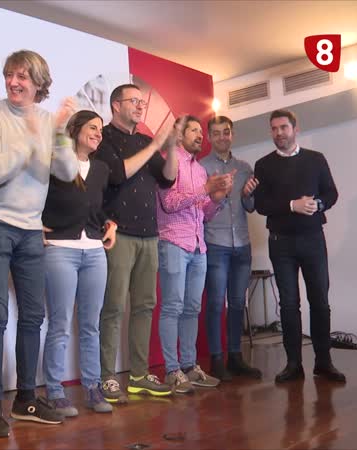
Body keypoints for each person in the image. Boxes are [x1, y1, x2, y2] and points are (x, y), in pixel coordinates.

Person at [0, 49, 78, 438]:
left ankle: (26, 399)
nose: (14, 83)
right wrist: (34, 138)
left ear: (38, 84)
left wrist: (59, 131)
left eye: (22, 77)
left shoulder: (50, 122)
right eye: (9, 75)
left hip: (31, 229)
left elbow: (66, 171)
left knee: (34, 315)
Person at [93, 84, 178, 403]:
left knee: (145, 306)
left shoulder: (144, 141)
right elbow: (117, 174)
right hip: (118, 232)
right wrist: (156, 141)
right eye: (134, 101)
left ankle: (139, 376)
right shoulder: (104, 137)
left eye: (143, 102)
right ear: (116, 105)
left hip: (149, 233)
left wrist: (170, 148)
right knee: (113, 307)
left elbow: (167, 178)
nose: (141, 106)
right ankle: (107, 377)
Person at [253, 109, 344, 383]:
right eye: (274, 129)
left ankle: (323, 362)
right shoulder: (263, 165)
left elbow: (331, 193)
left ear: (295, 129)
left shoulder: (316, 160)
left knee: (320, 302)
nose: (279, 133)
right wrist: (292, 205)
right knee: (289, 305)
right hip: (280, 243)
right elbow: (261, 205)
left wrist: (319, 204)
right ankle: (294, 364)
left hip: (313, 239)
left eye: (283, 127)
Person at [40, 110, 116, 417]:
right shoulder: (55, 162)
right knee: (59, 325)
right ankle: (55, 391)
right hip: (60, 248)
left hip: (95, 251)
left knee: (90, 325)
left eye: (100, 129)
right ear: (75, 130)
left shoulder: (101, 169)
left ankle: (93, 388)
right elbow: (36, 196)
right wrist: (35, 224)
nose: (98, 133)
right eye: (92, 127)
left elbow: (101, 207)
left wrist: (111, 224)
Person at [156, 115, 231, 394]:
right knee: (172, 307)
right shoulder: (168, 161)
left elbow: (204, 213)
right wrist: (205, 189)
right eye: (194, 131)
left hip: (199, 246)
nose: (200, 135)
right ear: (179, 135)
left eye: (201, 131)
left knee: (192, 308)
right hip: (174, 242)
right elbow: (170, 203)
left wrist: (217, 198)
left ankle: (189, 366)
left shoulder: (200, 170)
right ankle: (172, 370)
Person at [200, 115, 263, 381]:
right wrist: (218, 195)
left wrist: (248, 196)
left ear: (232, 134)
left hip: (242, 245)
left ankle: (235, 357)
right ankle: (217, 359)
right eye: (216, 133)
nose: (222, 137)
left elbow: (251, 207)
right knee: (216, 303)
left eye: (226, 132)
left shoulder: (245, 168)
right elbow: (200, 210)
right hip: (215, 243)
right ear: (209, 138)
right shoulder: (201, 167)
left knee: (238, 303)